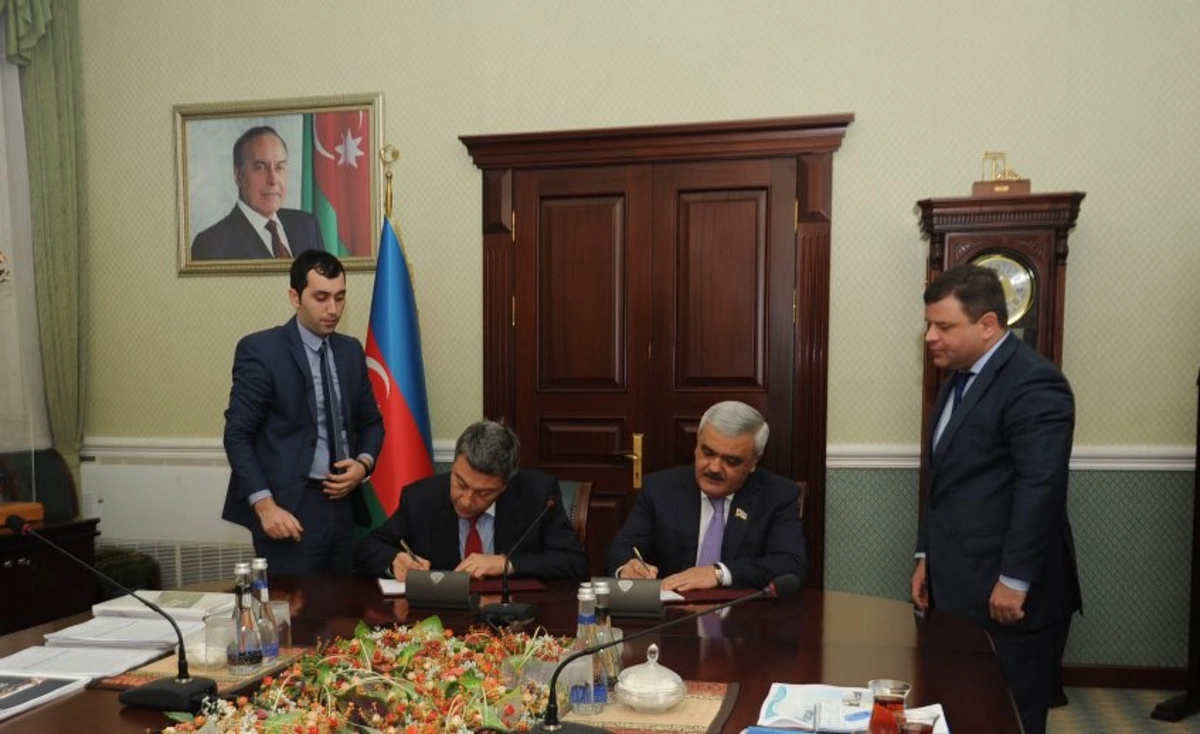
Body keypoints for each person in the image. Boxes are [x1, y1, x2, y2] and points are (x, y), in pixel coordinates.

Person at [911, 264, 1081, 734]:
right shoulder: (957, 379)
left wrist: (1015, 579)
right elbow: (944, 482)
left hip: (1008, 596)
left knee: (1009, 716)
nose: (930, 336)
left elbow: (1040, 485)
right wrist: (926, 556)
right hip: (957, 585)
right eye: (929, 324)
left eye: (944, 326)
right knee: (963, 707)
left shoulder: (1033, 382)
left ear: (987, 325)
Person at [220, 250, 384, 574]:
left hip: (343, 505)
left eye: (340, 297)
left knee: (342, 602)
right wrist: (265, 507)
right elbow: (237, 435)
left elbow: (372, 423)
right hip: (288, 507)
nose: (333, 309)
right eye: (321, 298)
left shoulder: (350, 351)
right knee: (292, 605)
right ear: (295, 297)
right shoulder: (262, 351)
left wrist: (363, 465)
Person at [605, 401, 807, 592]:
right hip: (671, 610)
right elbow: (622, 549)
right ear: (697, 442)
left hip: (745, 612)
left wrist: (719, 573)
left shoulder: (777, 495)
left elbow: (790, 564)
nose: (715, 467)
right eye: (708, 453)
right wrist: (627, 568)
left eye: (731, 461)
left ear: (754, 460)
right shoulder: (660, 488)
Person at [355, 420, 588, 581]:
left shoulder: (537, 494)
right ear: (455, 463)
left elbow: (574, 563)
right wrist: (394, 560)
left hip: (514, 620)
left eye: (484, 493)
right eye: (461, 483)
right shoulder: (421, 497)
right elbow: (367, 549)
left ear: (505, 484)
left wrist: (507, 563)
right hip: (441, 622)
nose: (467, 500)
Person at [191, 126, 325, 261]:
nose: (273, 180)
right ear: (238, 176)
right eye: (260, 168)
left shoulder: (308, 226)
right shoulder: (211, 245)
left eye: (279, 167)